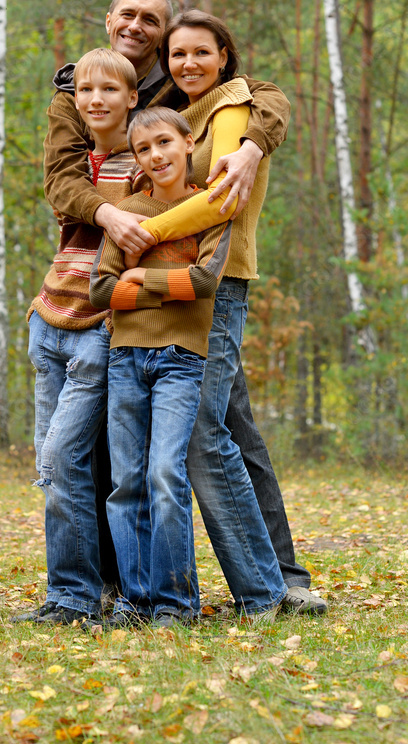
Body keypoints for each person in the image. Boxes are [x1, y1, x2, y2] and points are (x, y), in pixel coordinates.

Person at [43, 0, 325, 615]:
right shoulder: (80, 94)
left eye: (154, 21)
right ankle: (123, 587)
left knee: (218, 433)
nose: (138, 28)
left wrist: (255, 144)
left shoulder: (188, 97)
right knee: (129, 451)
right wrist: (114, 221)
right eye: (129, 16)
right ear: (108, 20)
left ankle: (276, 581)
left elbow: (266, 96)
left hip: (201, 282)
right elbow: (61, 181)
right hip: (110, 291)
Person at [90, 107, 286, 626]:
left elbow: (203, 283)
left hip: (182, 360)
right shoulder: (126, 211)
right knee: (126, 483)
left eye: (164, 143)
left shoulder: (210, 207)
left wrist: (137, 281)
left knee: (164, 477)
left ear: (186, 144)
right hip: (124, 359)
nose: (156, 156)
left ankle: (176, 603)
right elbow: (100, 290)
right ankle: (135, 601)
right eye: (144, 149)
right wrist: (144, 286)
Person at [14, 48, 141, 627]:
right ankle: (67, 594)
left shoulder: (142, 167)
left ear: (132, 99)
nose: (95, 100)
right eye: (84, 91)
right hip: (50, 321)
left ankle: (77, 596)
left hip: (95, 330)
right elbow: (63, 200)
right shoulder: (75, 166)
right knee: (51, 465)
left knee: (66, 459)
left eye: (109, 91)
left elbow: (146, 227)